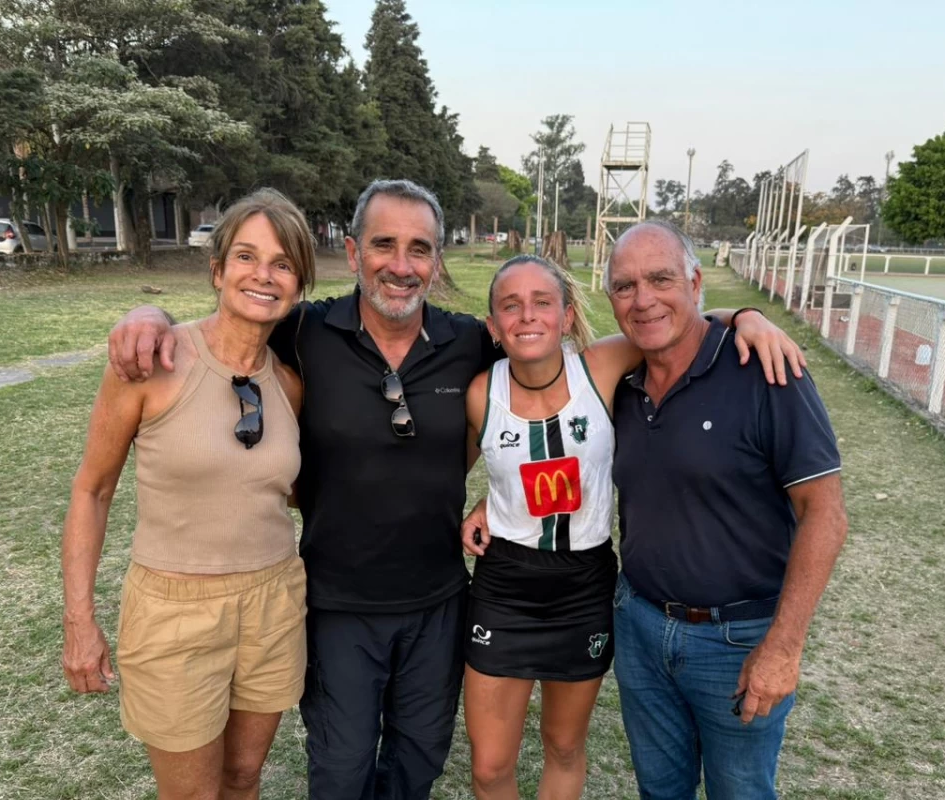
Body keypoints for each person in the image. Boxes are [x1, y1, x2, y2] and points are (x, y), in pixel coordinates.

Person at [105, 179, 805, 800]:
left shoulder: (471, 342)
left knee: (417, 764)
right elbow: (236, 319)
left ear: (437, 262)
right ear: (353, 254)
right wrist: (150, 319)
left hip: (442, 600)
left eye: (419, 248)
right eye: (384, 244)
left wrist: (744, 317)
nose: (401, 264)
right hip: (337, 601)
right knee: (343, 770)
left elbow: (651, 335)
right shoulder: (308, 332)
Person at [62, 189, 315, 800]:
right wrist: (79, 619)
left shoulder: (289, 382)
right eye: (247, 257)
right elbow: (92, 491)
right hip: (174, 610)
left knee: (244, 777)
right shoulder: (153, 363)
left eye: (282, 263)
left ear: (300, 282)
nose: (263, 275)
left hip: (273, 602)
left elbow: (290, 493)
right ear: (217, 269)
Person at [606, 220, 849, 800]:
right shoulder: (618, 379)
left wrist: (784, 648)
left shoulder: (765, 370)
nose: (643, 299)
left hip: (738, 640)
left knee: (740, 792)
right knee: (659, 790)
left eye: (661, 278)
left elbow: (826, 514)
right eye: (624, 285)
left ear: (695, 280)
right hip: (639, 626)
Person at [459, 255, 643, 800]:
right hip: (505, 584)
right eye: (510, 306)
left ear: (565, 315)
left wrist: (750, 317)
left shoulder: (603, 367)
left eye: (542, 301)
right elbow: (470, 469)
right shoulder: (479, 395)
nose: (527, 316)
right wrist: (481, 503)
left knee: (564, 746)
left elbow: (683, 324)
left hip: (582, 584)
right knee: (491, 767)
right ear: (493, 327)